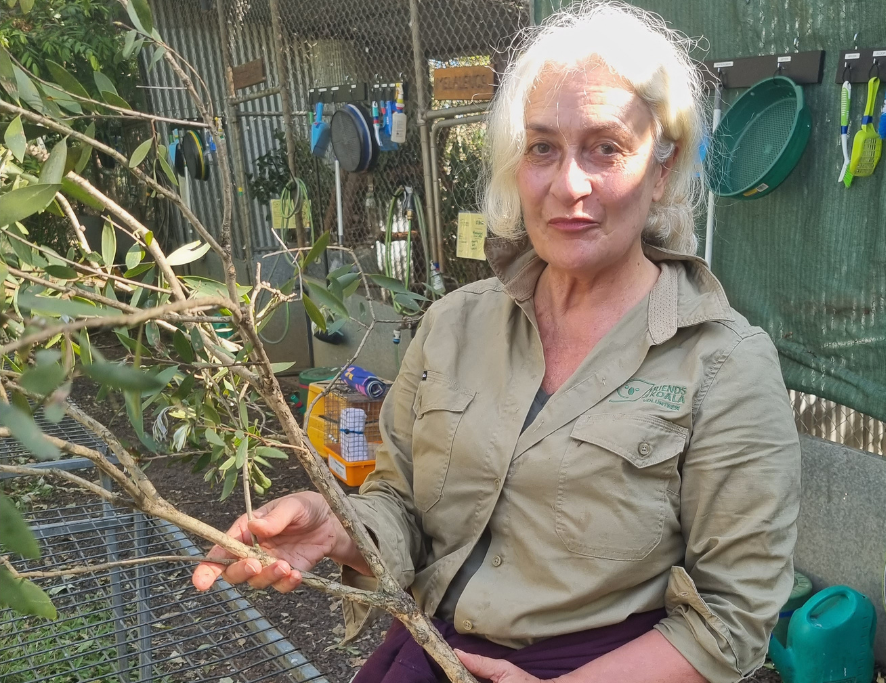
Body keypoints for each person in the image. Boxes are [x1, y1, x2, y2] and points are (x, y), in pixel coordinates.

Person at [192, 3, 801, 682]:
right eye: (543, 147)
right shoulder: (455, 324)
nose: (570, 184)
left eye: (606, 147)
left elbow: (732, 616)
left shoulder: (723, 364)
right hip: (430, 651)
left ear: (663, 167)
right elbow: (400, 507)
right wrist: (337, 530)